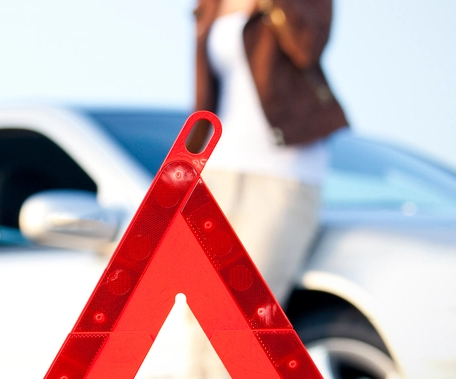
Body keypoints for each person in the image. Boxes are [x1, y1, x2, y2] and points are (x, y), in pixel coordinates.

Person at [184, 0, 348, 376]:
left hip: (283, 172)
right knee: (201, 310)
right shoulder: (212, 4)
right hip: (218, 168)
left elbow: (307, 49)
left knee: (246, 317)